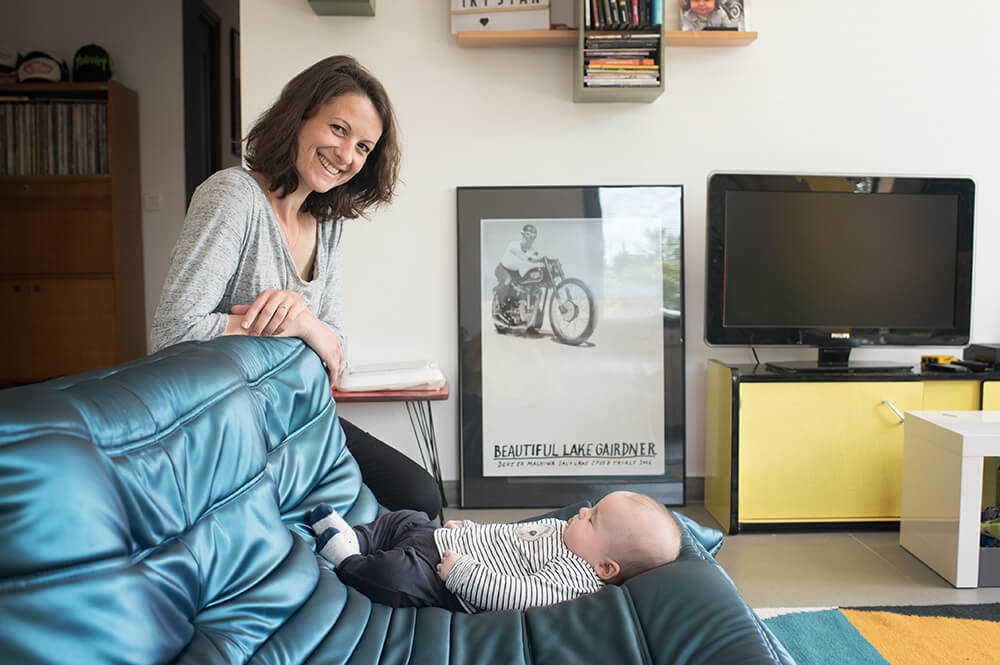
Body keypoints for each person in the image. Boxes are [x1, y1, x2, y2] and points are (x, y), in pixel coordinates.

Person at [151, 55, 442, 519]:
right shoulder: (232, 196)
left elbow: (335, 354)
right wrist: (294, 327)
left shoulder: (327, 223)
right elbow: (172, 334)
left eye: (364, 147)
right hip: (230, 423)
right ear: (300, 116)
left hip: (298, 417)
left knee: (420, 495)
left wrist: (305, 322)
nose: (347, 156)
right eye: (339, 129)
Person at [308, 491, 683, 612]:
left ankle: (348, 559)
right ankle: (360, 537)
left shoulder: (573, 576)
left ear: (604, 567)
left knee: (393, 576)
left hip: (445, 577)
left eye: (593, 519)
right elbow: (508, 534)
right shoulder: (561, 529)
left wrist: (460, 573)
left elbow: (516, 595)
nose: (582, 512)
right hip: (444, 539)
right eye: (591, 507)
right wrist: (470, 529)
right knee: (405, 518)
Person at [493, 224, 544, 325]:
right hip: (503, 269)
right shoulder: (513, 245)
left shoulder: (533, 250)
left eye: (533, 236)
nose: (531, 238)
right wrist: (531, 258)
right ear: (523, 234)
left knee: (531, 287)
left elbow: (537, 257)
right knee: (508, 280)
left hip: (516, 273)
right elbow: (522, 255)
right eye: (529, 234)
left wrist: (543, 260)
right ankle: (500, 304)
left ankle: (532, 313)